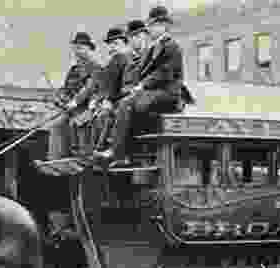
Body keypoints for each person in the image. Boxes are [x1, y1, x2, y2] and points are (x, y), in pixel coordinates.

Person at [97, 6, 186, 167]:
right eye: (150, 25)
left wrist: (142, 86)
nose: (150, 29)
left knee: (128, 104)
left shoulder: (172, 46)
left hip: (169, 94)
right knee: (127, 102)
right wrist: (135, 87)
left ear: (164, 26)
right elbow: (142, 73)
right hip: (155, 92)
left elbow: (165, 73)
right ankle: (119, 152)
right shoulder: (154, 47)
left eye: (153, 25)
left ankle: (118, 153)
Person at [44, 32, 102, 160]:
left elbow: (89, 88)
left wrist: (75, 102)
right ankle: (56, 158)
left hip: (87, 107)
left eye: (81, 48)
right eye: (76, 48)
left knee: (78, 122)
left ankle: (81, 156)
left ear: (89, 49)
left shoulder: (96, 67)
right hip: (72, 108)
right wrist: (60, 97)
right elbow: (66, 89)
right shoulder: (74, 70)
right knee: (56, 124)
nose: (77, 52)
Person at [88, 27, 131, 152]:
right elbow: (105, 85)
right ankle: (95, 151)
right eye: (110, 44)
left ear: (125, 44)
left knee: (104, 115)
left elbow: (121, 86)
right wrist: (98, 100)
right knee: (94, 116)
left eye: (116, 44)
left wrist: (108, 101)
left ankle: (102, 150)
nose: (112, 47)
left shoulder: (123, 58)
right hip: (114, 99)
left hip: (123, 99)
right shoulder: (114, 60)